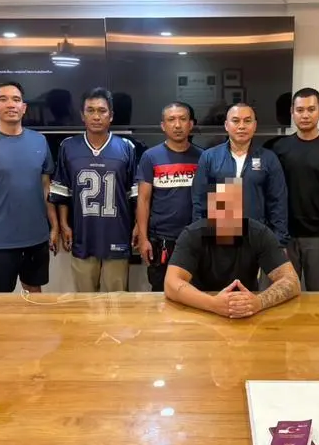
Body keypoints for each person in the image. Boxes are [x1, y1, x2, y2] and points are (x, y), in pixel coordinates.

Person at [0, 81, 58, 293]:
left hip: (36, 238)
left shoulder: (39, 141)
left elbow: (46, 187)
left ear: (24, 107)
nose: (11, 104)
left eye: (16, 99)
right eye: (3, 99)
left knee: (35, 295)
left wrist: (54, 226)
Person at [165, 179, 300, 318]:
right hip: (201, 310)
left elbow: (292, 281)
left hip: (247, 310)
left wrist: (259, 302)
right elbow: (170, 283)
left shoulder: (258, 233)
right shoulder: (193, 235)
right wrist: (213, 304)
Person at [49, 87, 137, 292]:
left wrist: (138, 227)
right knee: (85, 301)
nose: (96, 116)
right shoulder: (68, 147)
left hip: (117, 235)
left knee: (117, 301)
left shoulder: (126, 147)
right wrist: (64, 225)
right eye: (90, 110)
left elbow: (135, 195)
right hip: (83, 235)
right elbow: (62, 192)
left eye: (102, 111)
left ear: (111, 115)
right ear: (82, 115)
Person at [270, 88, 319, 291]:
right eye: (300, 110)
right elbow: (271, 193)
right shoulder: (279, 148)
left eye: (311, 109)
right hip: (284, 234)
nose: (305, 115)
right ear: (292, 112)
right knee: (282, 293)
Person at [192, 103, 289, 250]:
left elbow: (277, 202)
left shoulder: (268, 158)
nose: (241, 126)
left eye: (247, 121)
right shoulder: (210, 157)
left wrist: (280, 241)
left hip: (257, 237)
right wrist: (198, 238)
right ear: (226, 125)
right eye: (236, 121)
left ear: (255, 125)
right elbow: (199, 201)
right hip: (219, 237)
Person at [135, 102, 203, 291]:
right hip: (161, 240)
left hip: (194, 239)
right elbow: (143, 200)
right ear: (163, 125)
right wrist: (143, 239)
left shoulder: (203, 157)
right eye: (171, 120)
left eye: (183, 119)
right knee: (161, 293)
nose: (177, 125)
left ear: (191, 124)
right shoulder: (150, 157)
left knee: (195, 294)